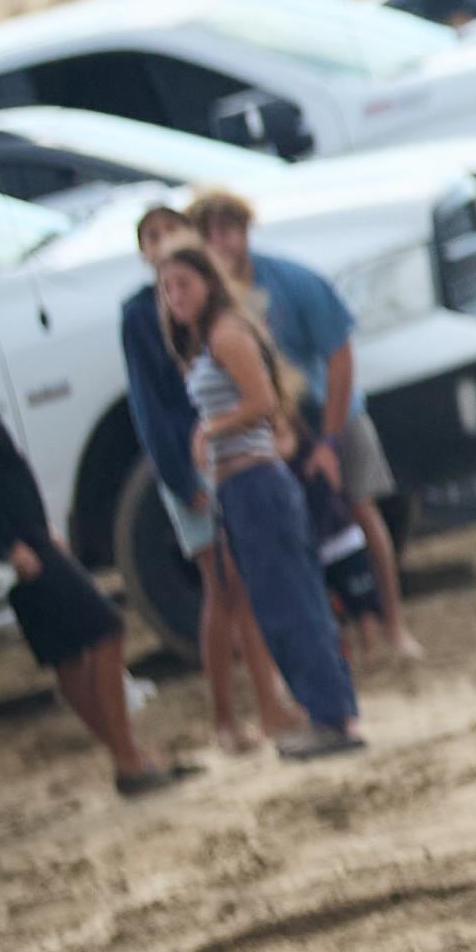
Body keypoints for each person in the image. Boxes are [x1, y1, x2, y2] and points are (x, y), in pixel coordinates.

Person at [0, 276, 188, 797]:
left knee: (70, 649)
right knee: (102, 627)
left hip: (22, 535)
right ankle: (127, 757)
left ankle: (129, 755)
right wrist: (5, 542)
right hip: (9, 546)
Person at [186, 188, 416, 662]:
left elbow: (339, 355)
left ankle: (395, 626)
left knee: (361, 510)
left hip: (327, 411)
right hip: (268, 431)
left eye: (226, 231)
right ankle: (343, 642)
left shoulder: (292, 280)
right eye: (207, 234)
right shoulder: (200, 305)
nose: (219, 243)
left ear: (245, 232)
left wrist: (329, 440)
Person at [155, 246, 362, 760]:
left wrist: (211, 429)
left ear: (208, 281)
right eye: (167, 288)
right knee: (281, 602)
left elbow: (262, 402)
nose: (175, 297)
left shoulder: (226, 333)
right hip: (242, 488)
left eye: (183, 283)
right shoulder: (210, 338)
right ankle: (328, 712)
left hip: (257, 484)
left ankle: (332, 717)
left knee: (292, 602)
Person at [120, 207, 300, 752]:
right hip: (193, 464)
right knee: (223, 590)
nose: (161, 243)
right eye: (150, 236)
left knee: (238, 589)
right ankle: (229, 717)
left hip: (223, 456)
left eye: (170, 232)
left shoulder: (202, 303)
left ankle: (265, 706)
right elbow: (151, 406)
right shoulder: (140, 313)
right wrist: (180, 475)